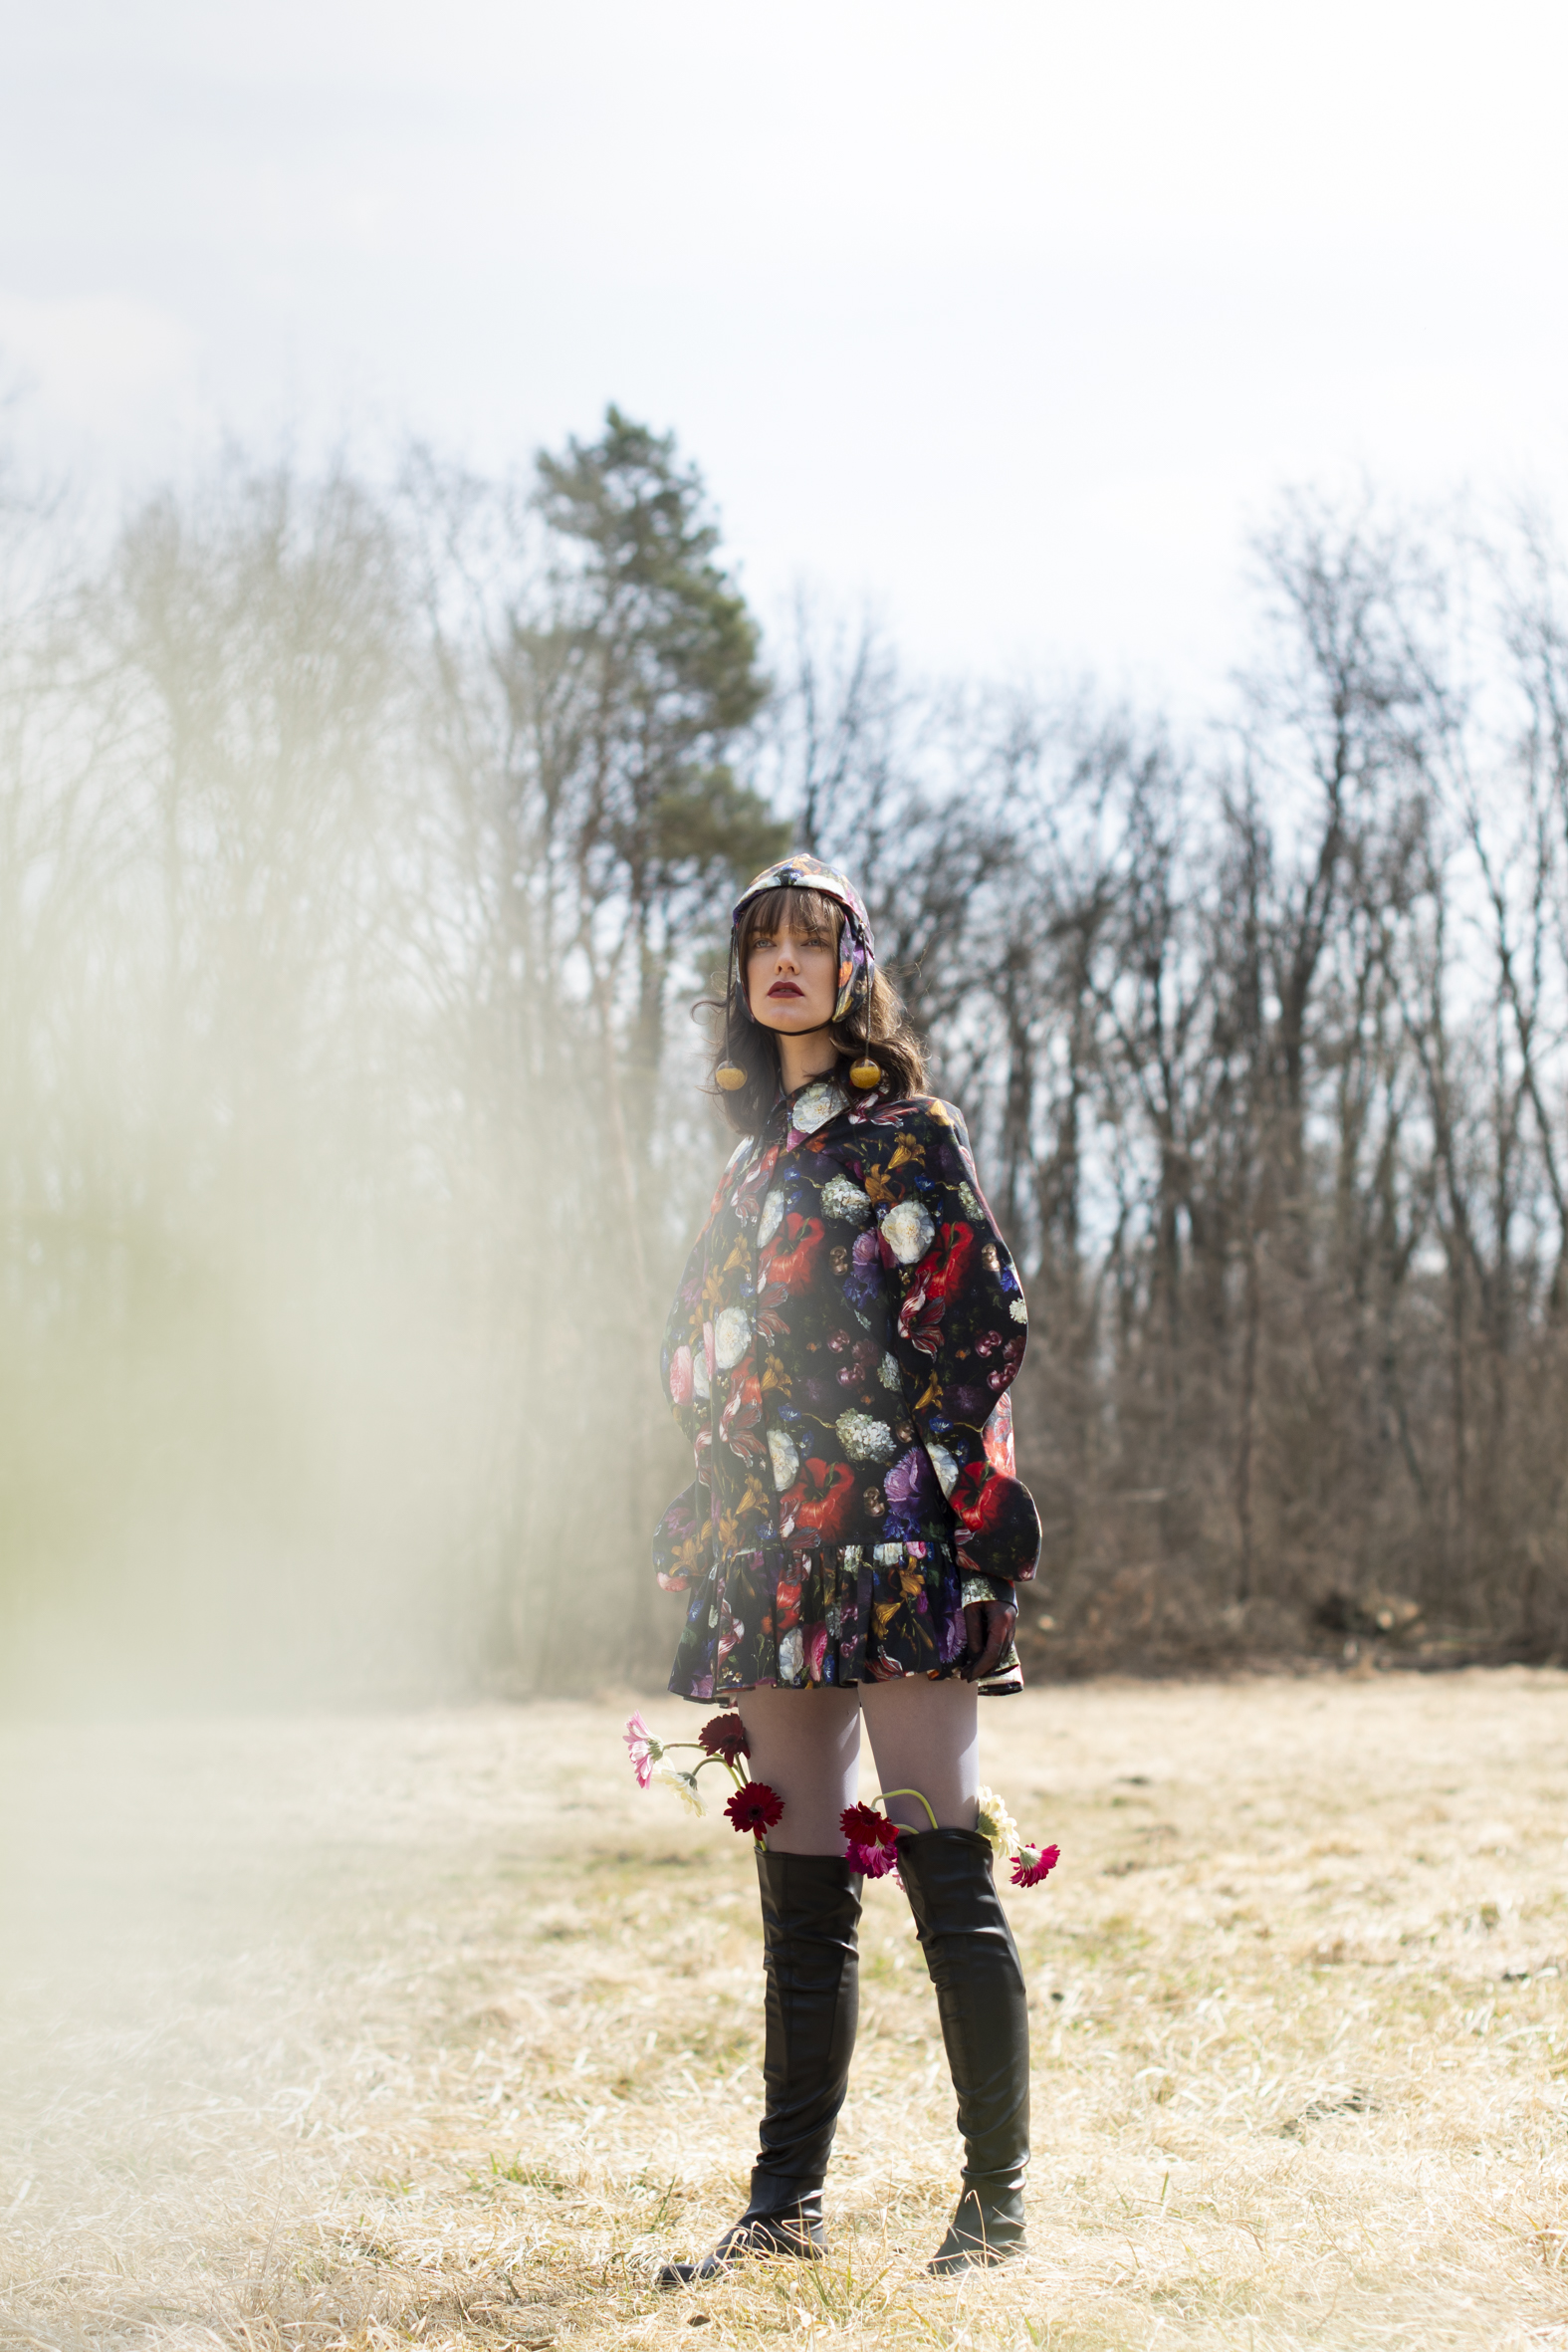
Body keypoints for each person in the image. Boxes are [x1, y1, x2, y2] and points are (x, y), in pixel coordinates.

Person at [652, 854, 1041, 2281]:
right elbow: (702, 1356)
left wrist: (968, 1513)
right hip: (774, 1554)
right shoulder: (748, 1162)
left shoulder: (906, 1135)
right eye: (762, 941)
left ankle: (995, 2207)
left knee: (943, 1858)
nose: (785, 961)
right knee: (800, 1883)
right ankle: (783, 2213)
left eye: (812, 941)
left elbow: (979, 1320)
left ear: (853, 968)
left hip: (895, 1539)